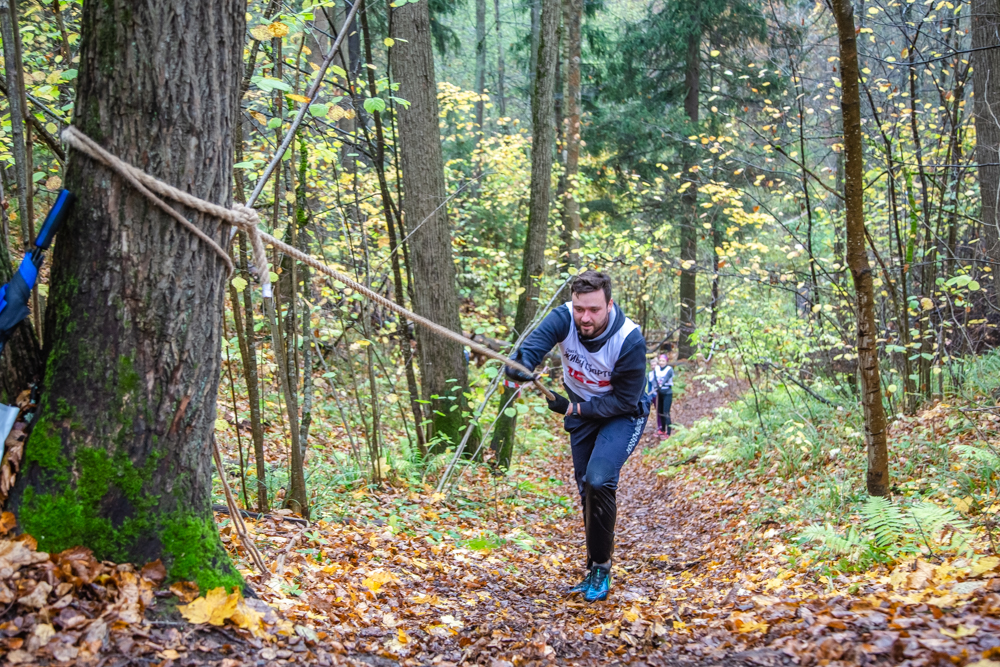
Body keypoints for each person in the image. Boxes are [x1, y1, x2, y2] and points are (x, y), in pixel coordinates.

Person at [504, 270, 649, 602]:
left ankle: (601, 567)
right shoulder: (564, 318)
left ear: (609, 305)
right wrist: (521, 364)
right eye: (580, 308)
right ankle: (593, 565)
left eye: (594, 310)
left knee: (599, 480)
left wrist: (574, 410)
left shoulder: (629, 340)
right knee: (586, 488)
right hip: (583, 410)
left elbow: (624, 401)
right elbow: (535, 346)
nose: (585, 317)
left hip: (621, 414)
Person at [648, 353, 674, 437]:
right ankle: (662, 429)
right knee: (660, 412)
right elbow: (654, 379)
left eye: (663, 361)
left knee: (666, 412)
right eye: (660, 361)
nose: (661, 362)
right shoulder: (657, 369)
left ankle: (668, 432)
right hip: (659, 393)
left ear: (666, 361)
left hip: (667, 392)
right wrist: (656, 386)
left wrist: (661, 384)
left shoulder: (669, 369)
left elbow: (666, 378)